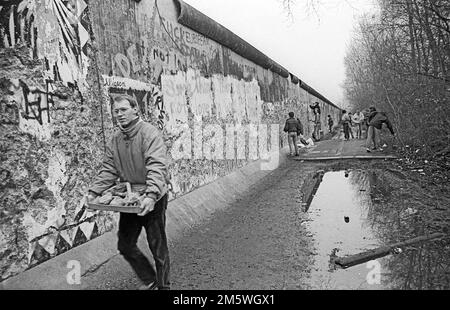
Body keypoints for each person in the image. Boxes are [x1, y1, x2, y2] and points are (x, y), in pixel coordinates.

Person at [86, 95, 170, 290]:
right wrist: (93, 192)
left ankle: (164, 286)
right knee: (125, 245)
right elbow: (109, 168)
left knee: (157, 247)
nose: (119, 114)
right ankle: (150, 279)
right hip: (130, 196)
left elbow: (157, 166)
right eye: (116, 111)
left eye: (124, 109)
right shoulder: (116, 139)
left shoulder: (149, 133)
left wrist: (151, 196)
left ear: (135, 110)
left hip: (153, 196)